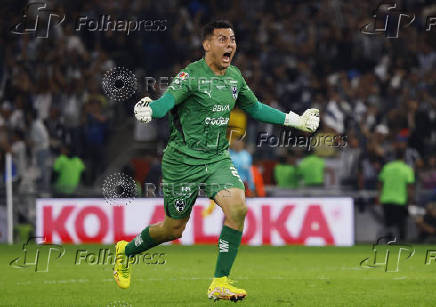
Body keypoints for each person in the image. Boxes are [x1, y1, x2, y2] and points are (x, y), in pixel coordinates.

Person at [113, 20, 319, 301]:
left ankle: (220, 281)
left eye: (232, 39)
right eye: (222, 39)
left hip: (216, 158)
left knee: (237, 207)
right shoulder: (190, 76)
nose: (230, 45)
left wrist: (296, 120)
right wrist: (153, 108)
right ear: (206, 44)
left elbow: (255, 107)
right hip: (182, 162)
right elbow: (167, 102)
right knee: (173, 228)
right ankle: (126, 251)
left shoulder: (234, 77)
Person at [378, 148, 415, 241]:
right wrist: (410, 200)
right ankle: (402, 242)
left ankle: (388, 241)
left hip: (386, 199)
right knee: (401, 223)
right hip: (400, 200)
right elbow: (410, 187)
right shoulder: (407, 169)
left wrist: (379, 196)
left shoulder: (387, 167)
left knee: (388, 224)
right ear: (404, 157)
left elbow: (380, 183)